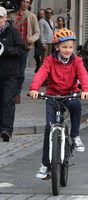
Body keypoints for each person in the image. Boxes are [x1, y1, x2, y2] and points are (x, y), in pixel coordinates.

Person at [29, 28, 88, 179]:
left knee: (76, 105)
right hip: (52, 95)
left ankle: (75, 136)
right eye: (64, 47)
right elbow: (41, 73)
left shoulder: (77, 60)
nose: (67, 50)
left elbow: (83, 74)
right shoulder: (50, 60)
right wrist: (34, 89)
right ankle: (45, 165)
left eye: (70, 47)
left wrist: (86, 89)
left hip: (70, 94)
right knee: (48, 128)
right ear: (57, 47)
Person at [0, 7, 26, 142]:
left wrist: (6, 50)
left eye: (0, 17)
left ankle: (6, 130)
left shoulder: (13, 32)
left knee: (7, 101)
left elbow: (21, 49)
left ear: (5, 18)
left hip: (10, 74)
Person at [9, 0, 40, 104]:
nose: (25, 4)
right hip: (12, 48)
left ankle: (17, 93)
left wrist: (31, 39)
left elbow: (37, 33)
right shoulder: (12, 15)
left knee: (21, 72)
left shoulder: (32, 16)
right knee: (11, 71)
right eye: (23, 1)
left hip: (24, 48)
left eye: (27, 2)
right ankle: (11, 93)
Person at [34, 8, 45, 73]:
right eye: (40, 14)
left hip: (45, 40)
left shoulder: (46, 21)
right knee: (36, 55)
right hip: (37, 41)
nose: (41, 15)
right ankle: (38, 64)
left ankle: (42, 68)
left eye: (42, 14)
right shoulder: (36, 21)